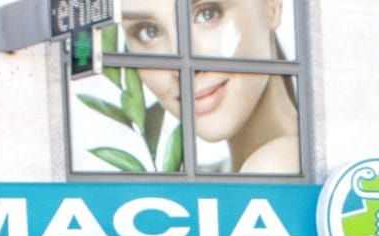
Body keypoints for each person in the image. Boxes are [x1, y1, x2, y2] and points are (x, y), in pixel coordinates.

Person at [119, 0, 300, 174]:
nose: (179, 67)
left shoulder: (276, 165)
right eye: (148, 32)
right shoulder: (216, 177)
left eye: (208, 13)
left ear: (272, 5)